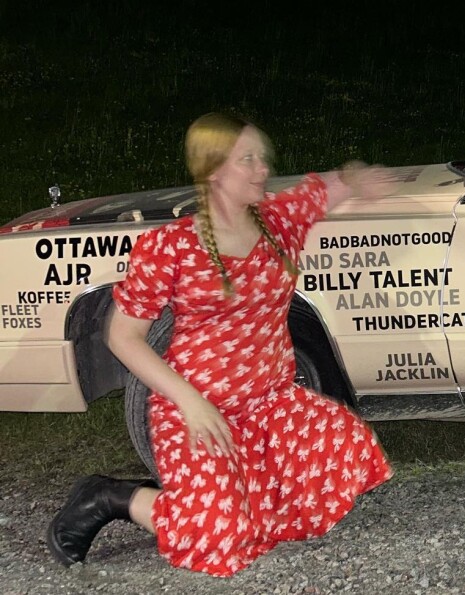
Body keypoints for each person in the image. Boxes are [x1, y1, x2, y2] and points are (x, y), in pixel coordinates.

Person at [46, 112, 394, 576]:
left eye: (262, 158)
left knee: (348, 452)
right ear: (213, 169)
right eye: (246, 159)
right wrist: (190, 402)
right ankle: (108, 495)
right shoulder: (171, 246)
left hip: (270, 404)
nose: (261, 168)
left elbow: (333, 184)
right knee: (218, 538)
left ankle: (225, 492)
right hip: (197, 410)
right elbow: (120, 336)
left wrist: (358, 177)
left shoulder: (279, 222)